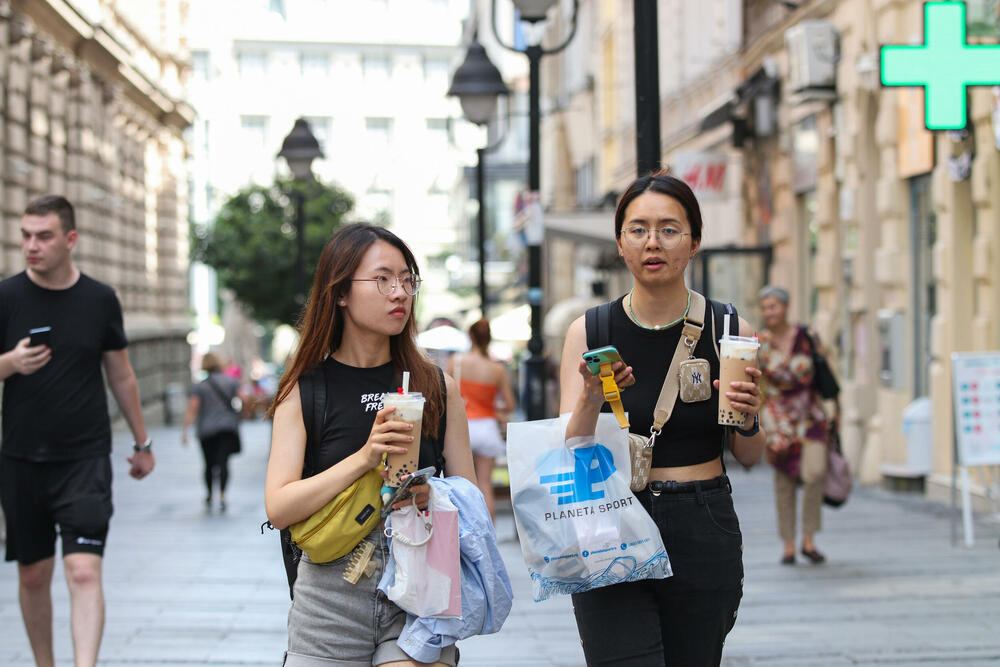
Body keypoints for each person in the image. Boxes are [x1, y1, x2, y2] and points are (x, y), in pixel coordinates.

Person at [559, 172, 765, 666]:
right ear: (620, 243)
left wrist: (749, 418)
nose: (653, 242)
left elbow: (751, 456)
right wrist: (590, 397)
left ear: (694, 241)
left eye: (669, 229)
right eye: (638, 230)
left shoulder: (729, 328)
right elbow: (567, 451)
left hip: (702, 518)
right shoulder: (589, 331)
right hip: (609, 518)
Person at [264, 223, 476, 666]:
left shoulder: (437, 386)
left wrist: (433, 495)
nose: (399, 293)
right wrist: (364, 458)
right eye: (382, 279)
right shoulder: (305, 391)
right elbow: (279, 508)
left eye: (407, 280)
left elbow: (472, 502)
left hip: (419, 589)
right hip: (330, 599)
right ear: (341, 292)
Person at [0, 194, 155, 667]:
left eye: (43, 236)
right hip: (21, 459)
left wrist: (142, 442)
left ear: (70, 239)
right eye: (26, 236)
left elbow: (121, 375)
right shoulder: (6, 297)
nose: (32, 245)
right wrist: (9, 363)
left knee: (84, 571)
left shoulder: (100, 299)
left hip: (84, 459)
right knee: (33, 575)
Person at [757, 285, 833, 565]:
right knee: (784, 481)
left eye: (773, 306)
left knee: (815, 472)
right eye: (765, 308)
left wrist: (835, 409)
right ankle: (789, 544)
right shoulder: (760, 342)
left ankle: (809, 537)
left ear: (786, 307)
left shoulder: (807, 336)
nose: (769, 312)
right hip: (778, 420)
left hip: (810, 415)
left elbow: (825, 368)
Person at [447, 318, 516, 520]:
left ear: (471, 336)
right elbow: (510, 404)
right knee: (485, 485)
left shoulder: (457, 362)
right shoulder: (497, 369)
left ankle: (463, 529)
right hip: (487, 427)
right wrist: (491, 407)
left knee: (461, 485)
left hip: (463, 427)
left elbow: (445, 393)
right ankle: (489, 533)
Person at [181, 352, 244, 512]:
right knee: (224, 462)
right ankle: (223, 494)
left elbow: (193, 408)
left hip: (206, 430)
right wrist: (239, 416)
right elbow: (243, 399)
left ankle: (210, 494)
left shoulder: (199, 386)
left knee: (209, 464)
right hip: (227, 427)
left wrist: (185, 430)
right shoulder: (231, 382)